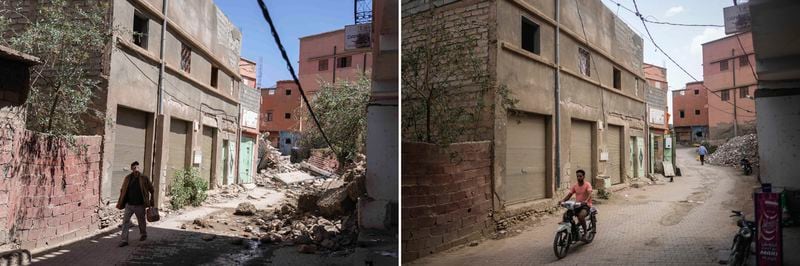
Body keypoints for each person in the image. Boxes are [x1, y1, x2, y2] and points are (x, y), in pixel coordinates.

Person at [116, 161, 154, 247]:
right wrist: (121, 201)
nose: (136, 169)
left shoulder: (144, 178)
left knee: (141, 221)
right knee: (125, 222)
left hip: (140, 205)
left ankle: (143, 234)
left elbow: (151, 189)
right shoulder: (128, 178)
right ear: (131, 169)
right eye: (134, 168)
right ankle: (124, 240)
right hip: (129, 205)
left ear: (139, 168)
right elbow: (123, 190)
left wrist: (152, 201)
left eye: (137, 167)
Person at [559, 169, 593, 241]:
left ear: (583, 176)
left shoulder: (587, 184)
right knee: (566, 215)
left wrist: (586, 201)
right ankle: (570, 230)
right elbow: (569, 195)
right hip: (577, 205)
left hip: (585, 205)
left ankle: (585, 232)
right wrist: (563, 201)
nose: (578, 178)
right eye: (577, 176)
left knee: (581, 216)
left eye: (580, 176)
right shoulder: (575, 186)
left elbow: (590, 193)